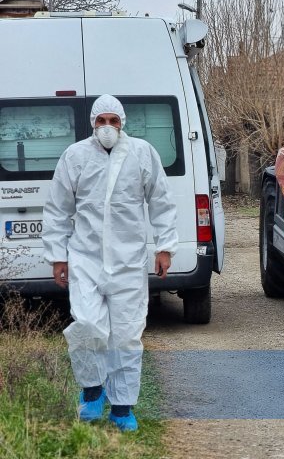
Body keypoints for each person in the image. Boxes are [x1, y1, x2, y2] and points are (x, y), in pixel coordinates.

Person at [42, 95, 178, 432]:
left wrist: (165, 247)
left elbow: (161, 201)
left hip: (128, 262)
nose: (107, 128)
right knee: (87, 325)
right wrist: (58, 255)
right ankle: (92, 390)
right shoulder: (75, 156)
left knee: (127, 334)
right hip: (85, 258)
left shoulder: (142, 153)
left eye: (112, 121)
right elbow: (58, 208)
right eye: (100, 121)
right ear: (92, 123)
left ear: (122, 123)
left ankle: (122, 407)